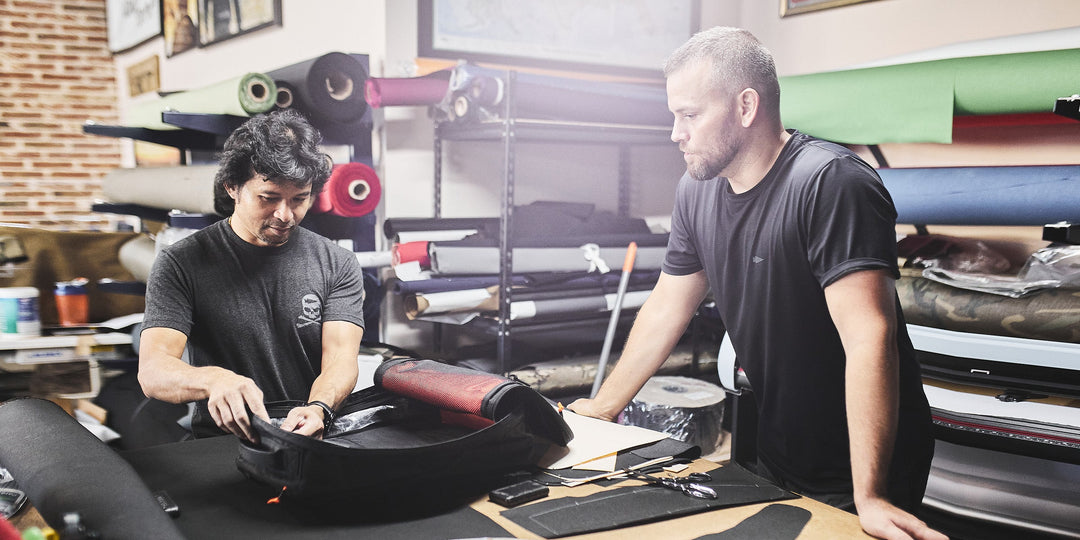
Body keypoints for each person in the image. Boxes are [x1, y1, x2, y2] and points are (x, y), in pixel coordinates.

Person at [569, 27, 946, 540]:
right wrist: (604, 407)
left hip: (865, 464)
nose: (676, 133)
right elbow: (667, 306)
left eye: (690, 115)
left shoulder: (832, 182)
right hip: (780, 447)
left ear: (746, 106)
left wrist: (871, 496)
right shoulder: (696, 191)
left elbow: (869, 338)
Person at [138, 109, 365, 444]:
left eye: (299, 199)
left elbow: (341, 359)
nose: (285, 215)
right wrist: (214, 380)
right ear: (232, 187)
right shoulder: (182, 262)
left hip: (308, 436)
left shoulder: (337, 263)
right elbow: (153, 370)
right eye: (268, 198)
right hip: (221, 442)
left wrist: (319, 408)